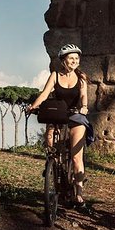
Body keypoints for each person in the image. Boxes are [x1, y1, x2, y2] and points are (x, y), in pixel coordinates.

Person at [28, 43, 90, 204]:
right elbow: (44, 94)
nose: (74, 61)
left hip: (75, 116)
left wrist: (83, 107)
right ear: (63, 60)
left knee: (77, 157)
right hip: (58, 113)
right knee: (50, 144)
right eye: (71, 58)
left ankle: (79, 192)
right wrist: (34, 106)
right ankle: (52, 167)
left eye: (76, 58)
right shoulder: (55, 75)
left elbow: (84, 97)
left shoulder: (82, 78)